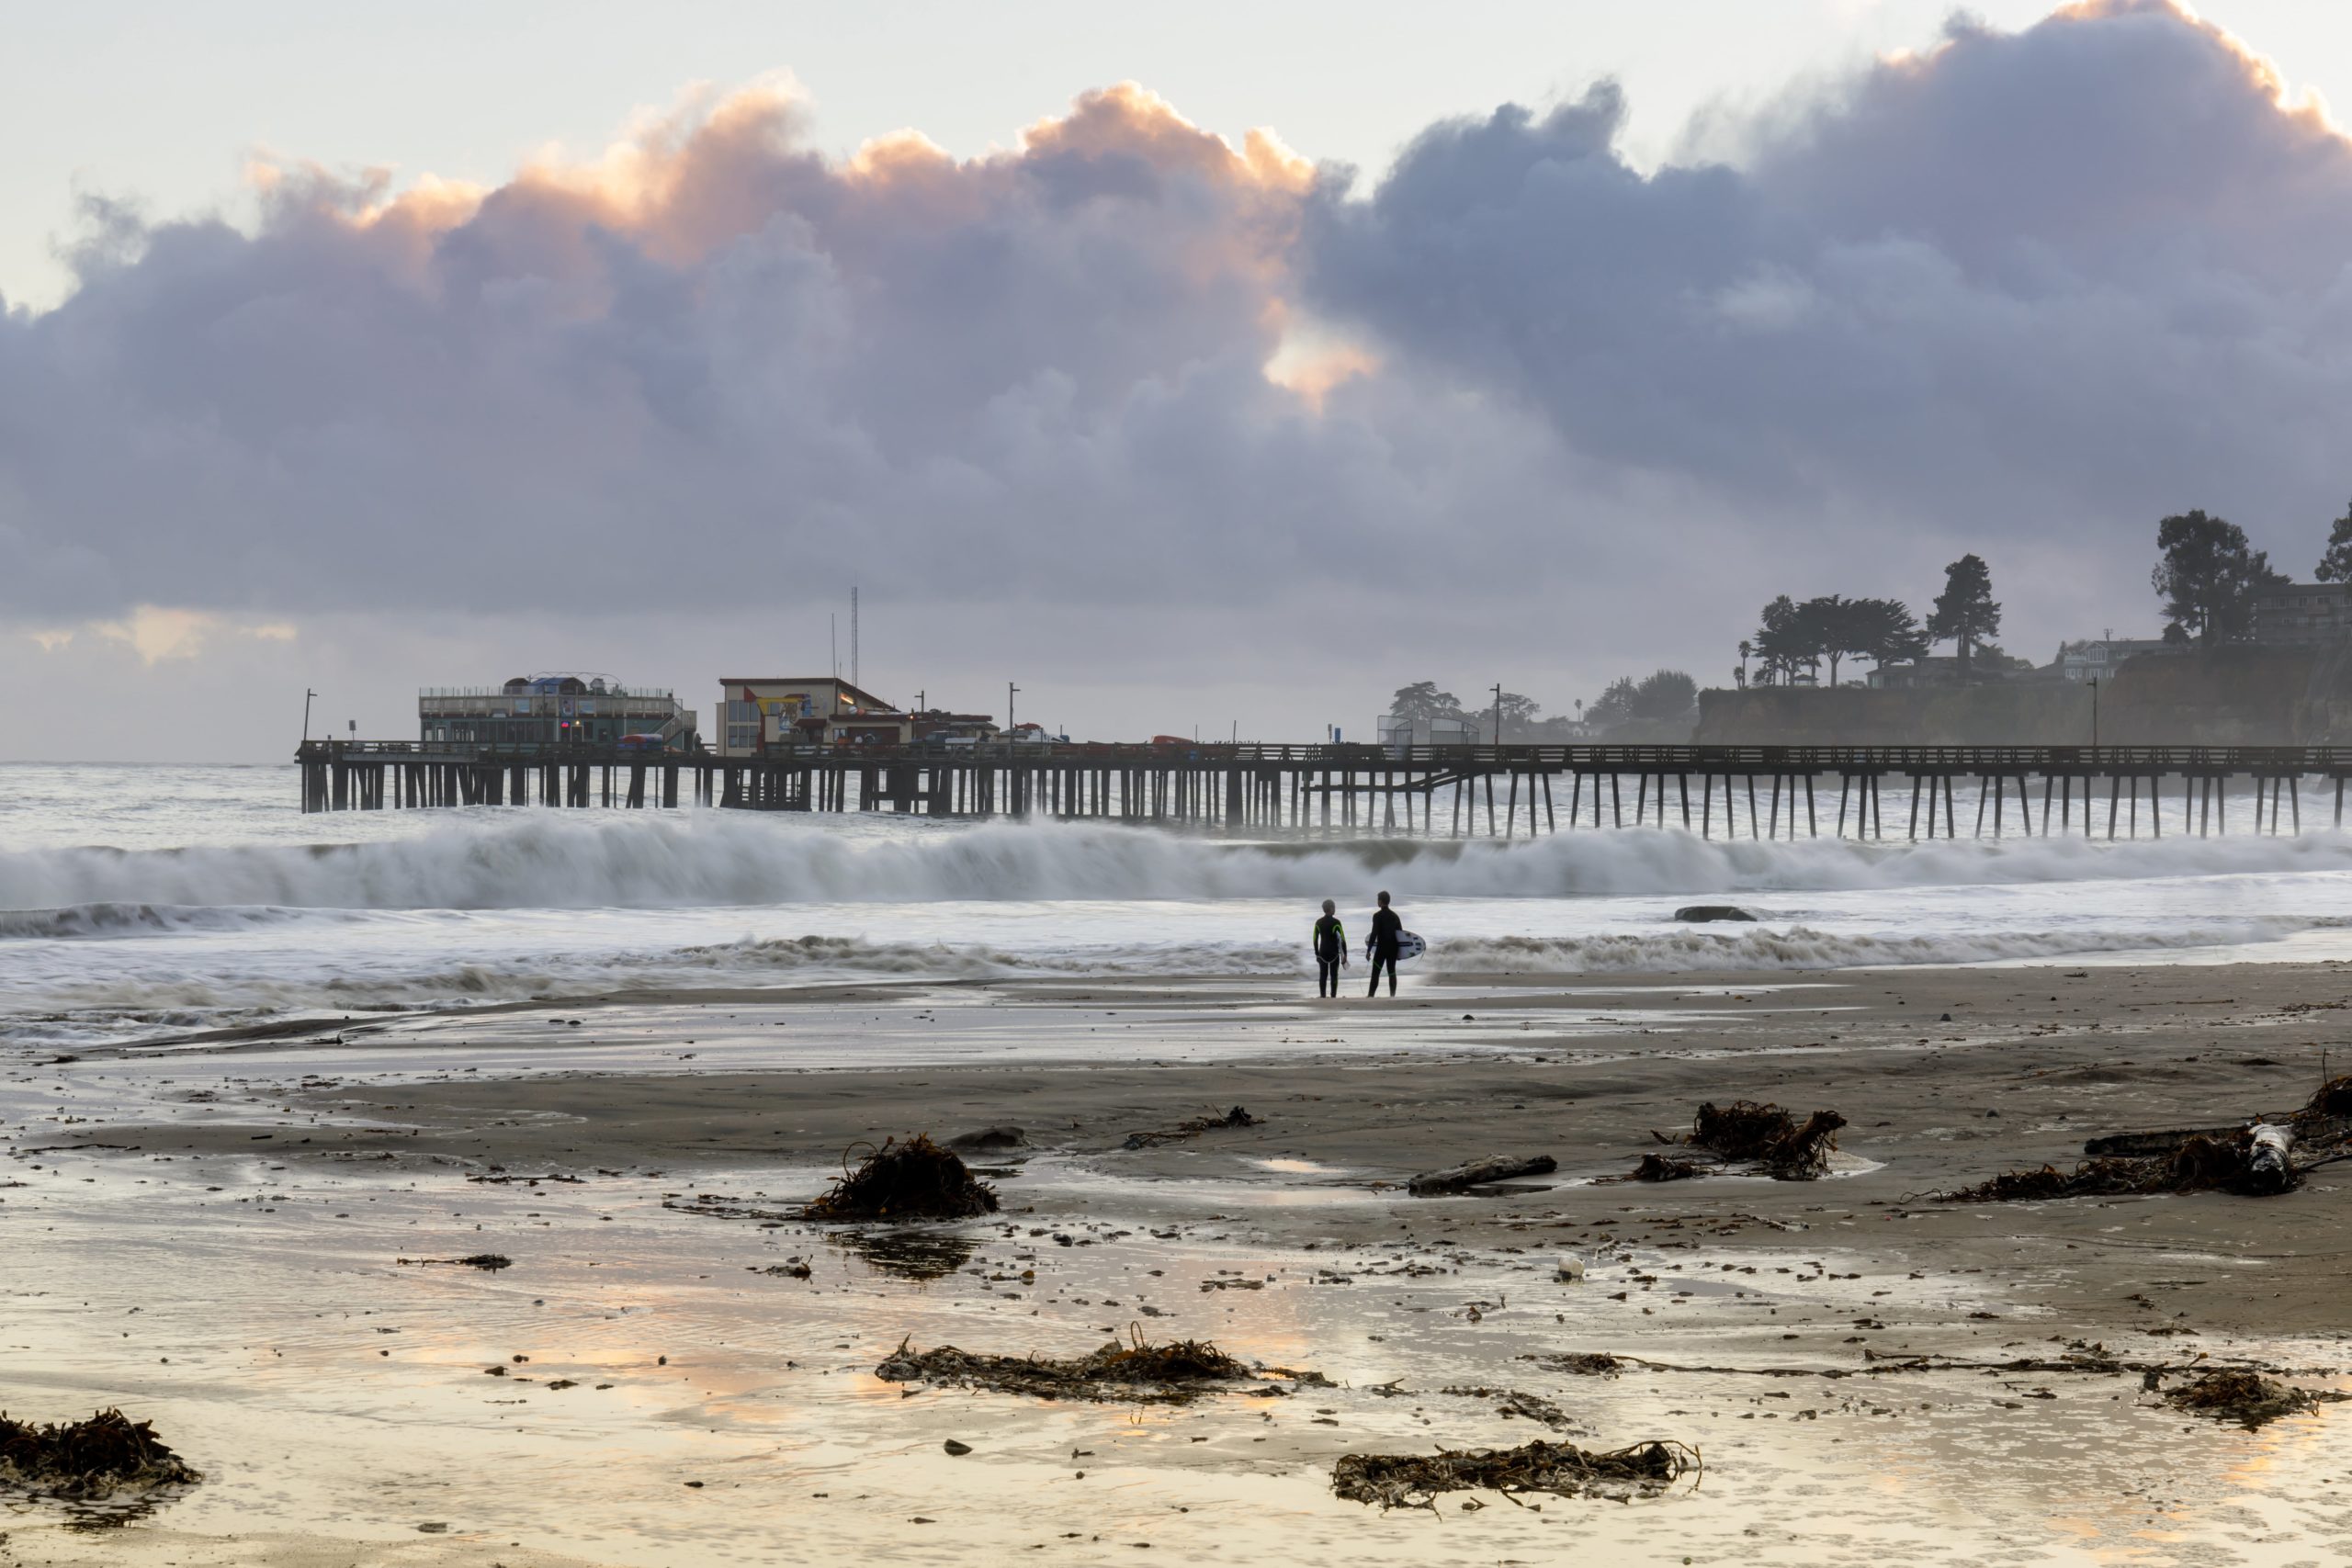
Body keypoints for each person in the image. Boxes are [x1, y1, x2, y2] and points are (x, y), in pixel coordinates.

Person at [1365, 890, 1403, 998]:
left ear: (1380, 902)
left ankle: (1370, 995)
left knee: (1375, 973)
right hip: (1393, 948)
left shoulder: (1377, 916)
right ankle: (1392, 996)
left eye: (1378, 900)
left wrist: (1368, 951)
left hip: (1382, 949)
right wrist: (1400, 953)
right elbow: (1400, 935)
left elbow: (1374, 934)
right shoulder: (1395, 916)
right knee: (1392, 972)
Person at [1310, 899, 1349, 998]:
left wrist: (1317, 953)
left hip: (1322, 952)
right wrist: (1345, 955)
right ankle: (1333, 996)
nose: (1335, 909)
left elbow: (1315, 939)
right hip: (1334, 953)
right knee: (1334, 975)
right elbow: (1343, 939)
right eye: (1334, 907)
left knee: (1323, 975)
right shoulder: (1336, 922)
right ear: (1331, 908)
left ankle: (1322, 996)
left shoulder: (1318, 922)